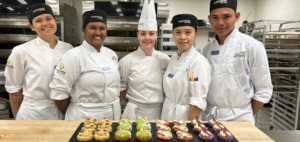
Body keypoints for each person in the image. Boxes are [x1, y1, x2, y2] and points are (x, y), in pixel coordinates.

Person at [200, 0, 273, 125]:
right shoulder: (207, 49)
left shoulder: (252, 46)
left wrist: (245, 113)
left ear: (237, 16)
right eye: (215, 17)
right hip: (210, 117)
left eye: (226, 16)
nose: (220, 22)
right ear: (209, 19)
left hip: (240, 119)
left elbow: (264, 90)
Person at [4, 3, 73, 120]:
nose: (45, 24)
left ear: (55, 21)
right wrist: (17, 122)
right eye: (39, 20)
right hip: (33, 113)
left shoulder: (68, 48)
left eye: (48, 18)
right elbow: (14, 91)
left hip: (62, 110)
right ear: (31, 26)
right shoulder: (21, 51)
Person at [49, 10, 121, 120]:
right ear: (83, 30)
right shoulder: (73, 56)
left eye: (102, 28)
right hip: (83, 116)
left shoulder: (111, 54)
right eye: (92, 28)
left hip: (111, 114)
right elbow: (59, 92)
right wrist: (75, 111)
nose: (98, 32)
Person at [119, 0, 170, 120]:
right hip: (134, 112)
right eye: (143, 34)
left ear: (156, 35)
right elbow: (122, 88)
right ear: (138, 35)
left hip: (159, 112)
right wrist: (135, 103)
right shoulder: (126, 61)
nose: (147, 38)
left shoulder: (165, 59)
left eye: (151, 34)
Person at [161, 14, 211, 121]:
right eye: (178, 32)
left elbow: (198, 101)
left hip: (184, 120)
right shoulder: (174, 58)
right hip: (167, 113)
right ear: (172, 34)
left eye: (188, 32)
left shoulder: (198, 62)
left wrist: (189, 129)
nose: (182, 37)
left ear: (195, 33)